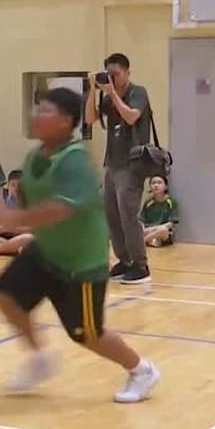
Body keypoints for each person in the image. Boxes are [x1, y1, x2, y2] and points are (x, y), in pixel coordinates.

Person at [0, 87, 160, 402]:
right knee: (4, 293)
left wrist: (14, 219)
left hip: (80, 264)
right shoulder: (34, 157)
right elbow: (32, 196)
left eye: (46, 110)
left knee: (87, 334)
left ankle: (141, 370)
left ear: (66, 121)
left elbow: (60, 208)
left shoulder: (75, 160)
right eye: (37, 109)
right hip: (47, 253)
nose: (36, 115)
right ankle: (40, 358)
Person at [85, 53, 153, 285]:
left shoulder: (138, 92)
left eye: (116, 74)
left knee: (128, 214)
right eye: (109, 74)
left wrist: (112, 94)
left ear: (127, 72)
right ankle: (124, 260)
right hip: (112, 163)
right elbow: (90, 119)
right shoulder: (107, 97)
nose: (112, 78)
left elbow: (132, 117)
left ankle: (140, 265)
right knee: (112, 215)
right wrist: (93, 89)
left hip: (132, 164)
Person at [139, 175, 179, 248]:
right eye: (153, 183)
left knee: (163, 230)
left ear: (165, 186)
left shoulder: (171, 202)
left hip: (163, 231)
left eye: (159, 183)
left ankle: (142, 241)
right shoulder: (148, 203)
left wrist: (153, 229)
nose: (156, 185)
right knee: (135, 230)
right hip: (148, 230)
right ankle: (153, 240)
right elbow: (141, 220)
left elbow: (171, 224)